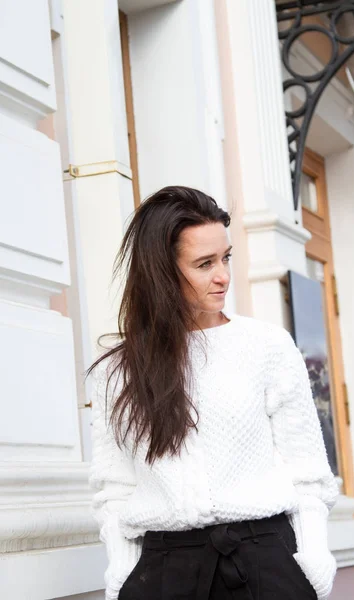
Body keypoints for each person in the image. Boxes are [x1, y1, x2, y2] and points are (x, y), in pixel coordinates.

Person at [87, 185, 338, 600]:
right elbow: (114, 485)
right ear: (161, 272)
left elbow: (307, 470)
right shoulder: (118, 368)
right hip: (163, 572)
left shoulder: (267, 346)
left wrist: (313, 555)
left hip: (262, 562)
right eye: (204, 264)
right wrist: (121, 570)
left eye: (226, 258)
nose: (222, 275)